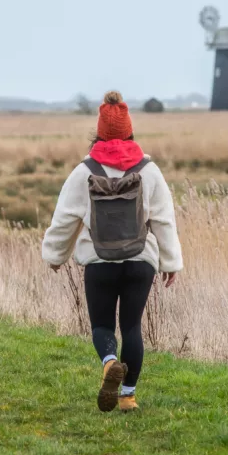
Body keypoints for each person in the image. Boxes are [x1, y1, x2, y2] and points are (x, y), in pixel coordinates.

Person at [42, 91, 182, 413]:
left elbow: (64, 219)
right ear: (130, 132)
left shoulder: (84, 171)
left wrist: (55, 256)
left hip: (99, 261)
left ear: (98, 133)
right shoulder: (149, 170)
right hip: (140, 261)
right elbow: (163, 219)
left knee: (103, 326)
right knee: (132, 327)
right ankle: (128, 397)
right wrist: (170, 261)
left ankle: (109, 364)